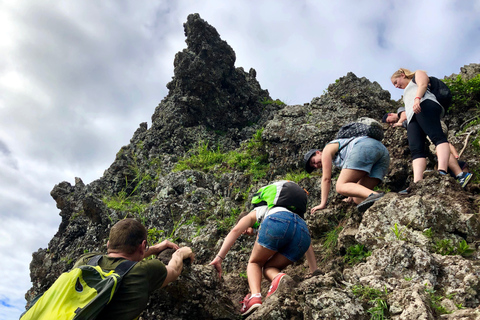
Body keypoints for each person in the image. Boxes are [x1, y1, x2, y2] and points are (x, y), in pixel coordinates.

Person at [209, 182, 315, 317]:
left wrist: (219, 258)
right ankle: (280, 277)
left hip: (278, 222)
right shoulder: (289, 211)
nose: (247, 232)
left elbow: (236, 230)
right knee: (269, 268)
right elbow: (308, 244)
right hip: (303, 233)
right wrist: (314, 271)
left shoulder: (257, 212)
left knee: (255, 262)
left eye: (247, 229)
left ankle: (254, 297)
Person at [74, 218, 194, 320]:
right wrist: (180, 252)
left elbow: (115, 258)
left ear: (108, 244)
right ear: (143, 246)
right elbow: (174, 271)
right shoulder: (144, 271)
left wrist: (154, 248)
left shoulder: (85, 261)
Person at [390, 68, 472, 190]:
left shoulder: (417, 74)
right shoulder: (406, 92)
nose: (396, 86)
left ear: (402, 75)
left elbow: (423, 84)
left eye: (396, 82)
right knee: (416, 149)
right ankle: (417, 183)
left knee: (437, 137)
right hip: (413, 115)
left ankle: (442, 171)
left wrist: (417, 98)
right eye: (394, 85)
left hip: (425, 104)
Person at [304, 135, 390, 213]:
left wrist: (322, 204)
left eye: (313, 161)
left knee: (340, 186)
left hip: (364, 146)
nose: (316, 165)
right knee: (358, 198)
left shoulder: (327, 150)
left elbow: (326, 179)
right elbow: (357, 175)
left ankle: (375, 195)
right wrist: (350, 196)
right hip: (382, 151)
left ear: (318, 152)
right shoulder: (339, 156)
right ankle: (388, 201)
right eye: (314, 166)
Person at [382, 108, 469, 179]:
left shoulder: (401, 111)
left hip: (429, 124)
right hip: (427, 126)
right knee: (438, 147)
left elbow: (404, 115)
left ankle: (460, 174)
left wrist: (399, 123)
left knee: (437, 146)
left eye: (388, 121)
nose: (390, 124)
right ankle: (455, 174)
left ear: (390, 114)